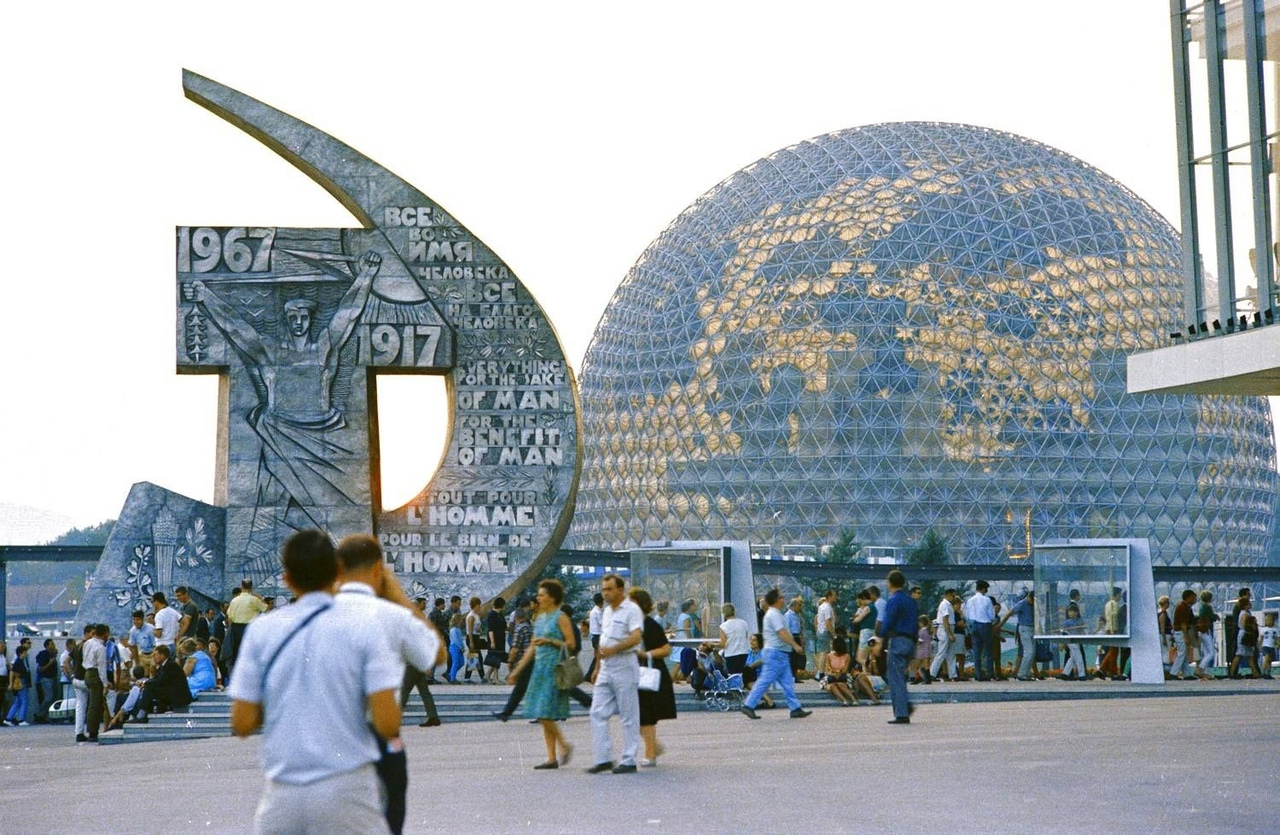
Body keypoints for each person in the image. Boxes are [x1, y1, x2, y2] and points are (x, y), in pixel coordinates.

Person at [183, 251, 381, 575]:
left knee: (334, 518)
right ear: (288, 320)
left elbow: (347, 315)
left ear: (310, 319)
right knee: (266, 516)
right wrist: (205, 297)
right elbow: (237, 329)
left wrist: (366, 276)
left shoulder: (325, 348)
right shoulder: (269, 351)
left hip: (323, 444)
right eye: (294, 317)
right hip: (278, 440)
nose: (300, 322)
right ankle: (256, 569)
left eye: (305, 316)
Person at [229, 529, 403, 835]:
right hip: (349, 791)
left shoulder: (261, 631)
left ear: (287, 579)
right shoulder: (364, 626)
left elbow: (242, 722)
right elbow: (388, 722)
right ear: (337, 572)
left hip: (284, 796)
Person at [334, 533, 444, 834]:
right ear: (378, 569)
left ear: (337, 569)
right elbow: (437, 654)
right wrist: (396, 595)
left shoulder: (309, 616)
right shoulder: (392, 616)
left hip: (325, 736)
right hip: (378, 738)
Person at [506, 579, 575, 770]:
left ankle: (563, 746)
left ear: (552, 597)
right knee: (543, 713)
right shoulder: (540, 618)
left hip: (554, 668)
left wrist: (551, 642)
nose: (538, 598)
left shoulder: (560, 617)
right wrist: (517, 670)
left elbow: (571, 644)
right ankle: (552, 756)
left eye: (542, 595)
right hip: (540, 669)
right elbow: (532, 648)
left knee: (544, 712)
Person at [587, 573, 645, 774]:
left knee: (628, 714)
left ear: (620, 590)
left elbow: (636, 637)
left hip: (624, 665)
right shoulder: (606, 612)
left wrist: (615, 649)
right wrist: (597, 667)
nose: (606, 593)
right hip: (606, 666)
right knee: (597, 711)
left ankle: (629, 760)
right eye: (604, 589)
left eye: (609, 589)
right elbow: (603, 641)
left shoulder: (631, 610)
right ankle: (604, 758)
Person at [740, 588, 811, 720]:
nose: (784, 599)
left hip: (780, 653)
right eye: (781, 597)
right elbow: (781, 632)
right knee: (766, 680)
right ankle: (748, 705)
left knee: (787, 681)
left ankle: (795, 708)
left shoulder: (776, 614)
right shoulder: (774, 614)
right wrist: (795, 645)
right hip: (775, 653)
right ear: (776, 600)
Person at [628, 587, 676, 767]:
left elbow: (666, 649)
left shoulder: (649, 624)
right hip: (636, 672)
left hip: (647, 672)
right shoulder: (634, 624)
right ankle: (653, 747)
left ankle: (650, 753)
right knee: (639, 715)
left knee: (645, 715)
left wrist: (645, 655)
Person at [876, 569, 919, 724]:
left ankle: (902, 713)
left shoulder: (894, 600)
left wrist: (880, 639)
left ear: (890, 583)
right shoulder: (910, 600)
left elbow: (888, 622)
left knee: (895, 677)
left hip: (899, 640)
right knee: (899, 675)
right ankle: (905, 705)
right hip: (911, 641)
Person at [224, 578, 268, 683]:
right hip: (250, 629)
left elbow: (229, 616)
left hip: (235, 629)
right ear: (251, 587)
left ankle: (235, 681)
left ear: (241, 586)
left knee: (236, 656)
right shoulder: (254, 599)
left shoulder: (234, 600)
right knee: (250, 656)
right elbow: (266, 608)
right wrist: (260, 598)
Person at [998, 590, 1037, 681]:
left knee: (1033, 652)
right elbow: (1009, 613)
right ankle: (1022, 673)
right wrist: (1000, 625)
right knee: (1029, 651)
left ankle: (1026, 673)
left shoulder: (1034, 604)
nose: (1030, 602)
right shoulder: (1022, 604)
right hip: (1024, 628)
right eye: (1029, 599)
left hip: (1032, 628)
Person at [962, 581, 995, 681]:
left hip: (973, 626)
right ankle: (990, 674)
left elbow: (966, 614)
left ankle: (978, 674)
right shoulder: (987, 599)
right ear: (984, 589)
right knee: (989, 651)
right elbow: (991, 615)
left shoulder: (970, 600)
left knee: (976, 651)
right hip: (985, 625)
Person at [929, 589, 959, 681]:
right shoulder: (944, 604)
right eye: (953, 596)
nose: (954, 598)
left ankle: (953, 675)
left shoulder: (948, 604)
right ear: (948, 595)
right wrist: (950, 634)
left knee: (951, 653)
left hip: (948, 627)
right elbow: (945, 619)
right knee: (941, 652)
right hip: (945, 628)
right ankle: (932, 673)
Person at [1169, 589, 1198, 680]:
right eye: (1193, 598)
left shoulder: (1187, 607)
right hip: (1181, 632)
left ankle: (1186, 673)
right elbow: (1183, 623)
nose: (1195, 600)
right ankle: (1173, 672)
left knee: (1184, 653)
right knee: (1182, 652)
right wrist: (1186, 637)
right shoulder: (1182, 607)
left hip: (1181, 632)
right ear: (1188, 597)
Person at [718, 603, 751, 678]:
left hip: (731, 653)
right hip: (744, 652)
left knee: (733, 675)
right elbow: (745, 638)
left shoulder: (723, 626)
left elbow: (723, 644)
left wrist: (713, 644)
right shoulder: (743, 623)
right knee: (741, 673)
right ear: (734, 611)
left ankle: (735, 688)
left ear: (723, 613)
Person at [1058, 602, 1088, 680]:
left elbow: (1082, 630)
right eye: (1070, 611)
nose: (1072, 613)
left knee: (1073, 658)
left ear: (1077, 612)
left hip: (1078, 641)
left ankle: (1065, 673)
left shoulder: (1080, 620)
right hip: (1070, 642)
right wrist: (1062, 643)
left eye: (1074, 611)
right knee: (1078, 657)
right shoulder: (1067, 622)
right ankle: (1082, 675)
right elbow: (1063, 633)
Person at [824, 636, 857, 706]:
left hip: (842, 676)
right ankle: (844, 700)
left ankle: (854, 700)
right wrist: (833, 674)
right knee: (832, 685)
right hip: (831, 676)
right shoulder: (829, 656)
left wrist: (838, 673)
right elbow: (827, 670)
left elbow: (845, 669)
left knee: (841, 684)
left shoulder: (847, 656)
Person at [5, 643, 31, 727]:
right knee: (24, 701)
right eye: (24, 652)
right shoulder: (19, 661)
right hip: (22, 682)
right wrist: (13, 682)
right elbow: (13, 672)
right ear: (20, 653)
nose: (26, 654)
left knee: (18, 702)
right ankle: (21, 719)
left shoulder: (19, 661)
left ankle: (8, 719)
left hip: (20, 682)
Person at [126, 610, 157, 676]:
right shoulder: (133, 631)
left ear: (143, 620)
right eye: (134, 620)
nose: (135, 622)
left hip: (153, 654)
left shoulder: (150, 629)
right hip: (142, 655)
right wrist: (137, 662)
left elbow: (156, 646)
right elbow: (133, 646)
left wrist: (155, 659)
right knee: (143, 675)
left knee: (153, 673)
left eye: (138, 620)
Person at [152, 592, 182, 660]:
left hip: (162, 647)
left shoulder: (159, 615)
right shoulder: (173, 611)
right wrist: (179, 635)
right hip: (172, 644)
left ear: (156, 601)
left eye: (152, 602)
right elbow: (185, 622)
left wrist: (153, 630)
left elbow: (159, 634)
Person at [485, 597, 509, 684]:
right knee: (496, 658)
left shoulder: (500, 614)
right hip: (494, 639)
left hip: (501, 639)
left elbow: (504, 626)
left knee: (497, 658)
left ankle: (488, 675)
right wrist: (492, 642)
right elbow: (490, 629)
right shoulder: (492, 615)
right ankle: (495, 678)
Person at [814, 589, 836, 679]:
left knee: (824, 652)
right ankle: (821, 674)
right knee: (823, 653)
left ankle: (822, 672)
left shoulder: (822, 606)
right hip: (825, 632)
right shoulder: (827, 607)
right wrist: (834, 634)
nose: (836, 597)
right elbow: (828, 623)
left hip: (821, 631)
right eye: (834, 595)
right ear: (830, 596)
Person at [786, 596, 808, 678]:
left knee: (798, 658)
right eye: (799, 605)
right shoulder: (788, 615)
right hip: (792, 637)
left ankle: (796, 675)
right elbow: (787, 628)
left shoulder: (797, 615)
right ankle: (791, 675)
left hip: (797, 637)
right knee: (792, 658)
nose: (800, 608)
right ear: (794, 606)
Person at [1259, 612, 1277, 679]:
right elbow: (1261, 638)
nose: (1269, 622)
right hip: (1265, 646)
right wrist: (1259, 646)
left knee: (1269, 661)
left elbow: (1277, 638)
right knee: (1266, 658)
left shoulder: (1276, 629)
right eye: (1267, 620)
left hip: (1271, 647)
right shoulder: (1263, 629)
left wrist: (1278, 644)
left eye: (1271, 620)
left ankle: (1268, 673)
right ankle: (1263, 672)